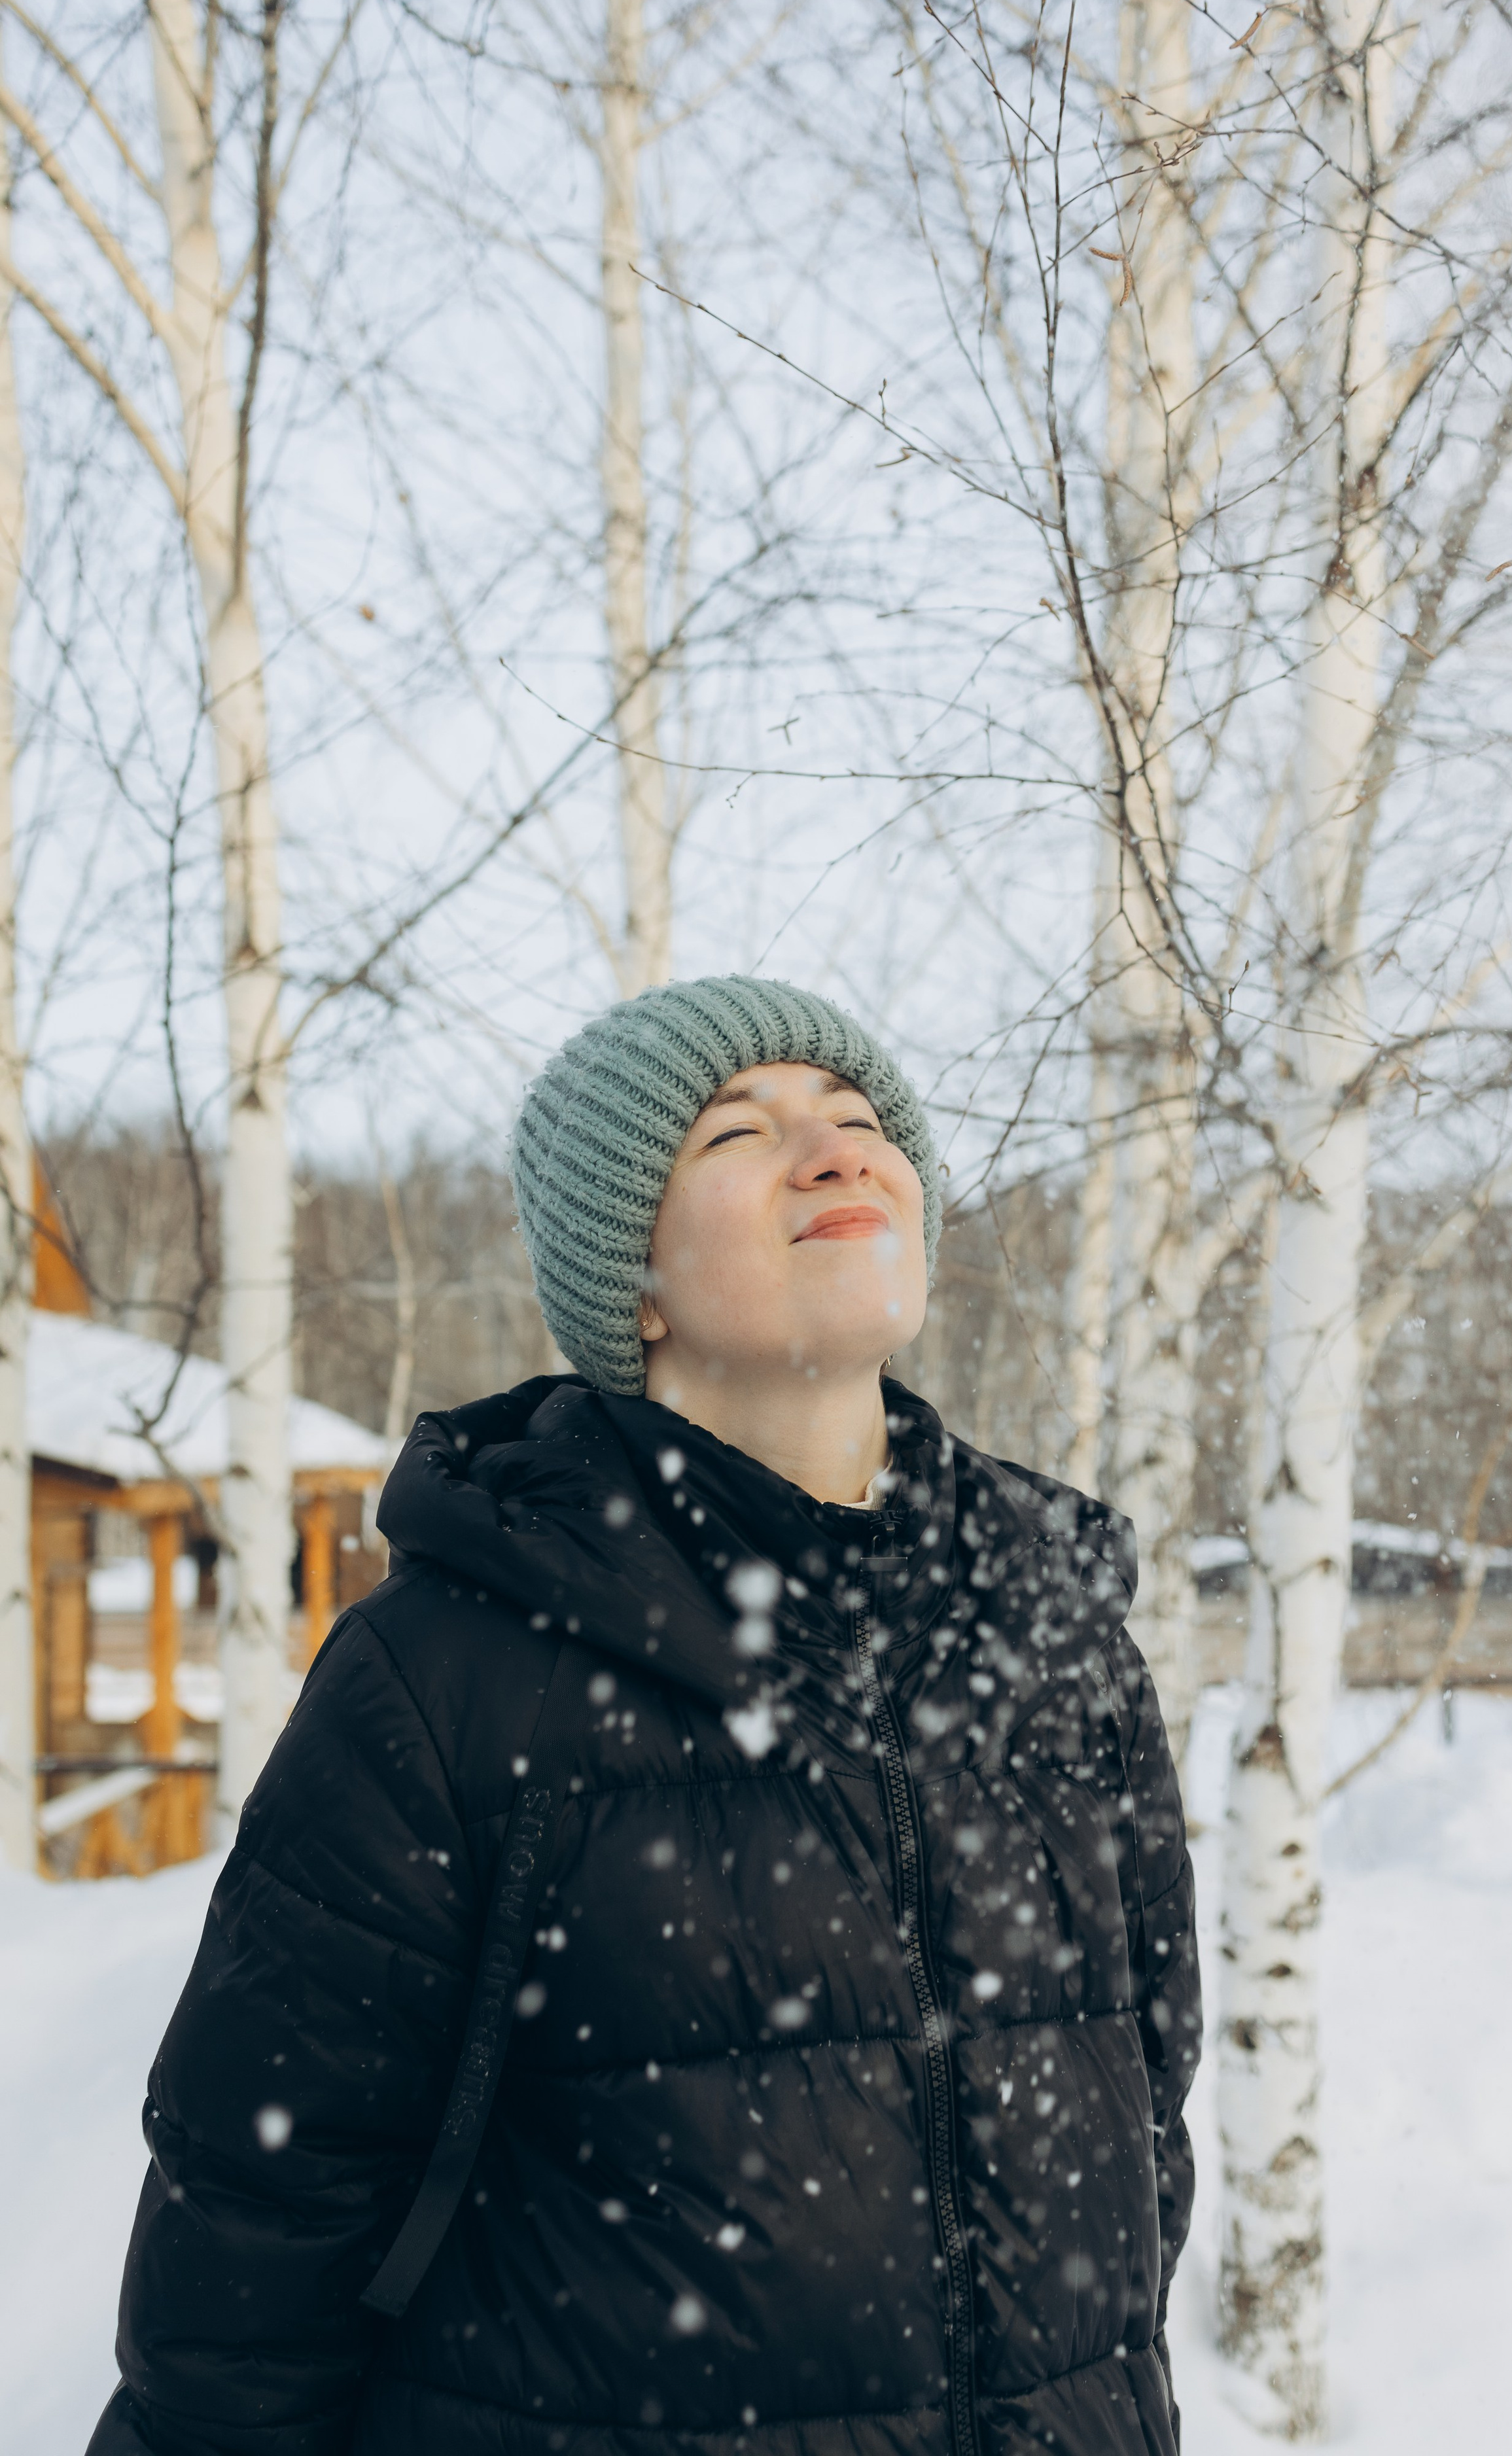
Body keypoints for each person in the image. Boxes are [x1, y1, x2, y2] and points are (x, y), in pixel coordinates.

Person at [90, 975, 1201, 2456]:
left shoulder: (1055, 1635)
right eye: (738, 1133)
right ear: (635, 1281)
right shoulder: (447, 1674)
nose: (835, 1152)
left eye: (862, 1121)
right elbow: (259, 2239)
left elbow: (1144, 2121)